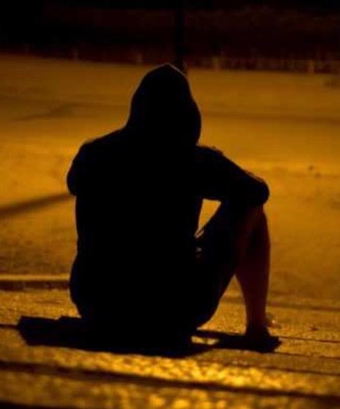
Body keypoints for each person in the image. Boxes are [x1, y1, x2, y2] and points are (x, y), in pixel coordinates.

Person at [67, 64, 278, 351]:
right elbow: (258, 192)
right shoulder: (196, 160)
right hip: (176, 308)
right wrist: (213, 167)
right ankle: (257, 324)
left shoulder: (94, 153)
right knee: (253, 211)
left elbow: (74, 183)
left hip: (96, 303)